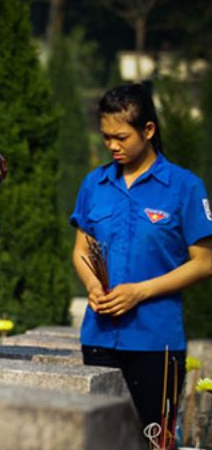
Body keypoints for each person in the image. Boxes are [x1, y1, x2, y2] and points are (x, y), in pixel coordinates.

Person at [71, 83, 212, 431]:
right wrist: (91, 284)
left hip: (155, 342)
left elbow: (205, 262)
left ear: (148, 130)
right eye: (106, 137)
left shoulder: (185, 187)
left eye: (121, 137)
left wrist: (140, 292)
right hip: (99, 339)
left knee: (153, 443)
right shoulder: (95, 183)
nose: (112, 146)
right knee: (98, 443)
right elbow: (81, 250)